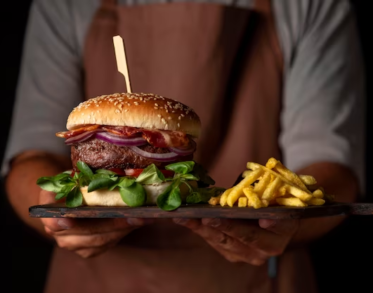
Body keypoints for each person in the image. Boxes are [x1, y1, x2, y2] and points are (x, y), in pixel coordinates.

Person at [2, 0, 365, 292]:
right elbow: (30, 153)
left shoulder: (311, 5)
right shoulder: (63, 5)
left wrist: (286, 224)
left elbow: (332, 165)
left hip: (254, 278)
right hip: (93, 279)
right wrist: (55, 212)